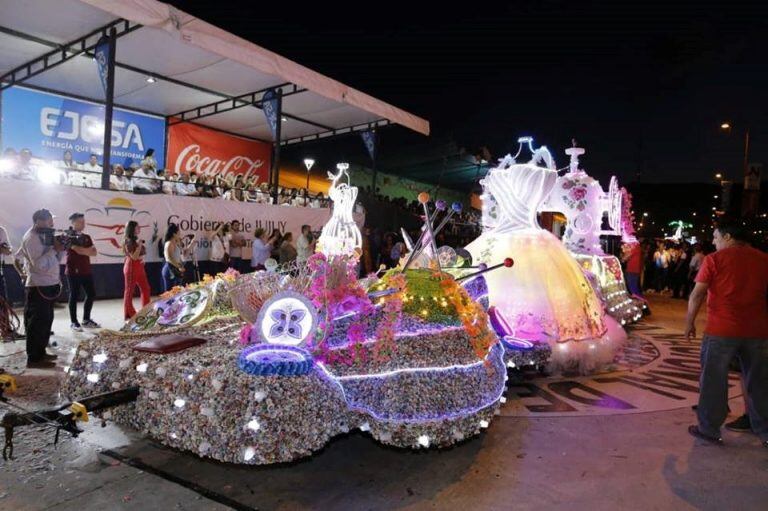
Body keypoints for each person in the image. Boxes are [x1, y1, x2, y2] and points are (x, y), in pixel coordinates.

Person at [685, 220, 768, 447]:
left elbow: (697, 295)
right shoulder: (764, 259)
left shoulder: (714, 260)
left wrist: (689, 323)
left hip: (721, 330)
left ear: (728, 236)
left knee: (714, 380)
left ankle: (709, 430)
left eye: (716, 236)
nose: (713, 241)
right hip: (758, 332)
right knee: (759, 381)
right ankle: (764, 430)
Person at [18, 209, 64, 368]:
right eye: (49, 221)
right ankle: (34, 358)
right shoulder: (31, 238)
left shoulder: (44, 235)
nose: (52, 224)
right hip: (38, 285)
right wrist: (54, 250)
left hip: (49, 283)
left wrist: (60, 250)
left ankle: (41, 352)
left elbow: (54, 261)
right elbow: (38, 266)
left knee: (46, 321)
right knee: (37, 323)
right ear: (39, 221)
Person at [65, 213, 99, 332]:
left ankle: (86, 319)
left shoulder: (87, 237)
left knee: (91, 293)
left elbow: (94, 252)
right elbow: (77, 250)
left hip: (86, 269)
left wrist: (83, 251)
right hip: (73, 271)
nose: (83, 224)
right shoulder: (68, 236)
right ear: (73, 222)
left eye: (83, 221)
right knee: (74, 296)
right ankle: (74, 322)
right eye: (80, 222)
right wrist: (86, 250)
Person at [122, 220, 151, 320]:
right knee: (129, 291)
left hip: (139, 267)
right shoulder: (128, 241)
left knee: (146, 288)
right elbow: (134, 257)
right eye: (137, 227)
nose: (139, 228)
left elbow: (141, 254)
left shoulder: (135, 240)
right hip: (131, 267)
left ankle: (145, 310)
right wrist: (139, 246)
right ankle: (130, 314)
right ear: (132, 229)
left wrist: (143, 258)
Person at [162, 223, 185, 292]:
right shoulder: (169, 243)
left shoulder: (175, 242)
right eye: (178, 232)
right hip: (170, 270)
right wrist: (179, 266)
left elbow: (180, 255)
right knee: (170, 295)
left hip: (175, 269)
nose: (180, 234)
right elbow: (169, 258)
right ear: (174, 234)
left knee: (176, 293)